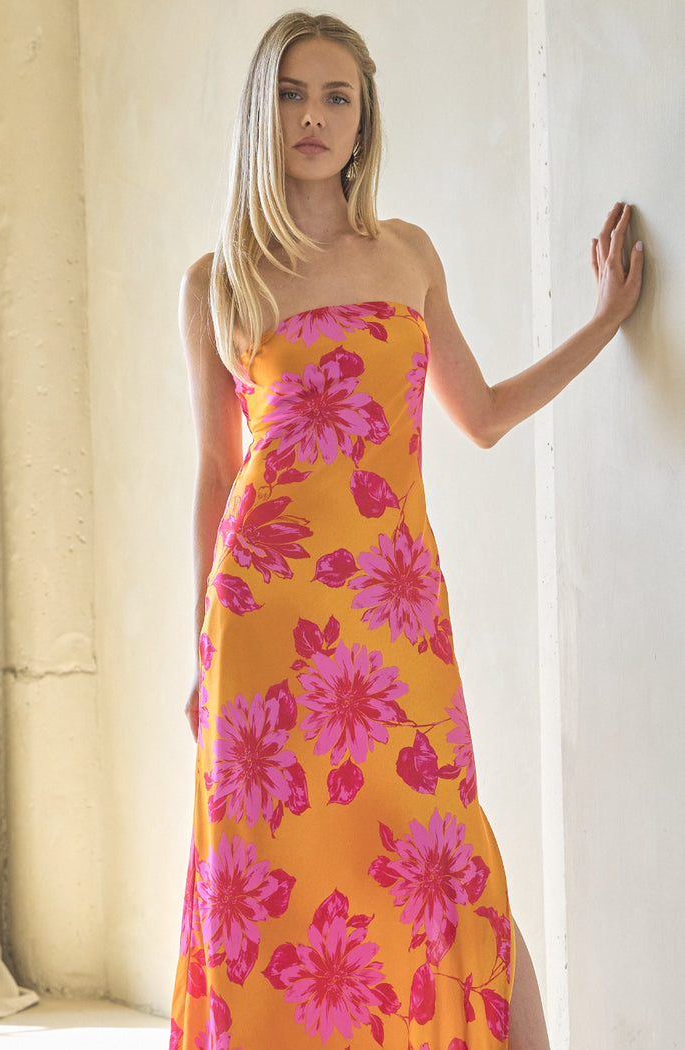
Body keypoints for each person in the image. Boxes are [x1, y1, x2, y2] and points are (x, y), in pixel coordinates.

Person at [169, 12, 643, 1050]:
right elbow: (216, 470)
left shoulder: (406, 255)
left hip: (394, 618)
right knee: (278, 886)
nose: (314, 117)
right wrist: (201, 657)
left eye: (337, 96)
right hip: (262, 619)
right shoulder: (219, 279)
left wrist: (605, 321)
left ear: (363, 118)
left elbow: (479, 417)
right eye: (293, 94)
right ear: (263, 111)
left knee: (447, 861)